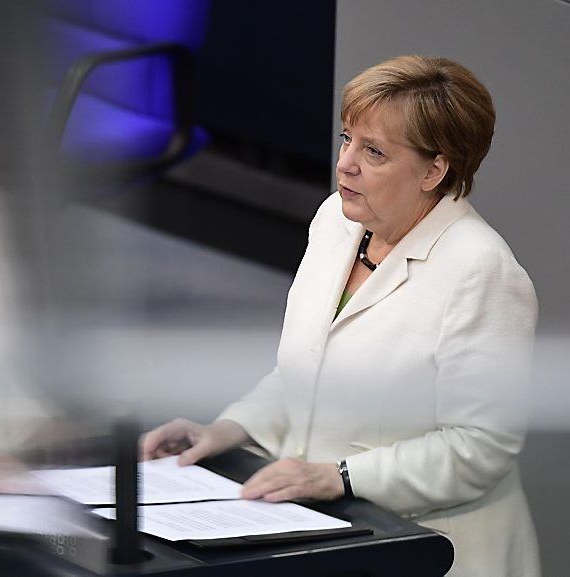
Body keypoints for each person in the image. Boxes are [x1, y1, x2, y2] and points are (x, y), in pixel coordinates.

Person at [142, 55, 539, 577]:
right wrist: (228, 429)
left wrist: (341, 477)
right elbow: (307, 372)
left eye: (373, 152)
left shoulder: (481, 271)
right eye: (346, 138)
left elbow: (479, 450)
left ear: (434, 170)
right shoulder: (337, 220)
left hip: (434, 552)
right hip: (328, 532)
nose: (346, 163)